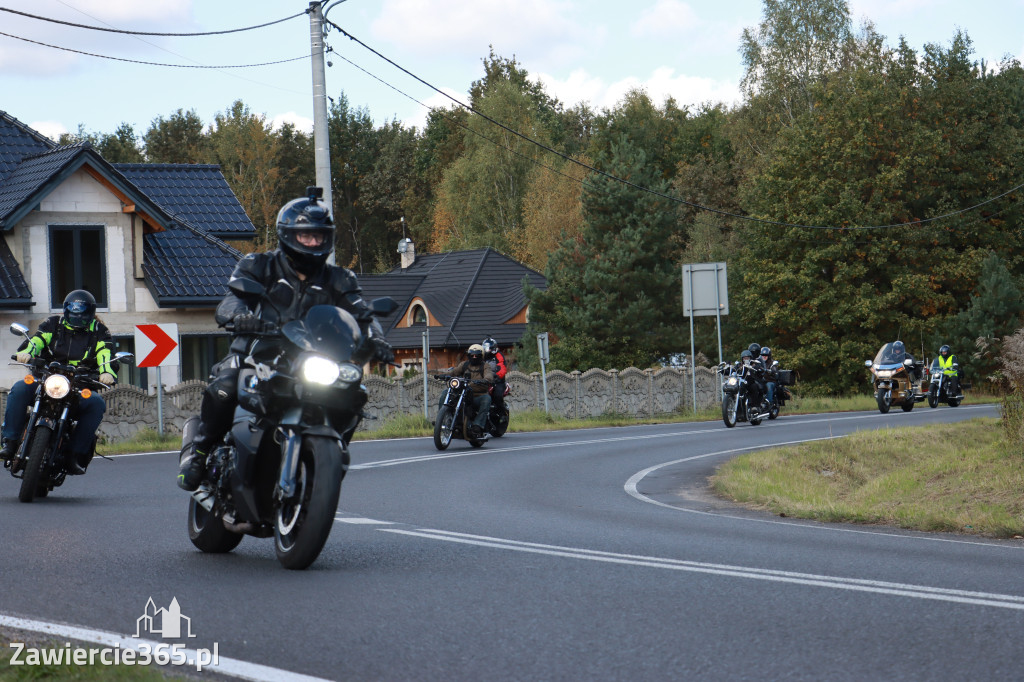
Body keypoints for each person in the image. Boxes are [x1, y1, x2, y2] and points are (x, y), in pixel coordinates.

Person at [177, 187, 394, 491]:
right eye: (306, 235)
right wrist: (240, 316)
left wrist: (377, 340)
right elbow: (231, 300)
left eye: (319, 236)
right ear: (289, 235)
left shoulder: (341, 279)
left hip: (313, 358)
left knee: (354, 392)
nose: (313, 242)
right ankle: (199, 452)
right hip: (260, 350)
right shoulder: (258, 265)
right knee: (227, 384)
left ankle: (332, 454)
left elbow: (362, 315)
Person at [0, 290, 117, 474]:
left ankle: (74, 455)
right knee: (20, 388)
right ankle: (10, 441)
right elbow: (37, 340)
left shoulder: (99, 331)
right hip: (46, 378)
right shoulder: (53, 324)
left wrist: (106, 372)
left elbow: (105, 354)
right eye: (73, 310)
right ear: (66, 310)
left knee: (96, 403)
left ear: (91, 312)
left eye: (82, 311)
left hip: (78, 385)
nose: (77, 315)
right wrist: (27, 353)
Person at [440, 344, 495, 439]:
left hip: (477, 395)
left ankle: (478, 425)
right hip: (463, 393)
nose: (474, 357)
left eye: (476, 355)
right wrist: (443, 375)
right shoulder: (464, 365)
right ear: (469, 355)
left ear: (481, 356)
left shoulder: (485, 366)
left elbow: (489, 375)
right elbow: (454, 372)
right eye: (472, 355)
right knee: (445, 393)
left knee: (486, 399)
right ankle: (441, 419)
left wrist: (486, 379)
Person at [482, 336, 507, 414]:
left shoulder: (499, 355)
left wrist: (497, 375)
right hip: (483, 380)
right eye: (485, 348)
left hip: (497, 381)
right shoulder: (481, 356)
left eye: (488, 348)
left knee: (497, 395)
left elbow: (502, 367)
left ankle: (502, 413)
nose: (487, 350)